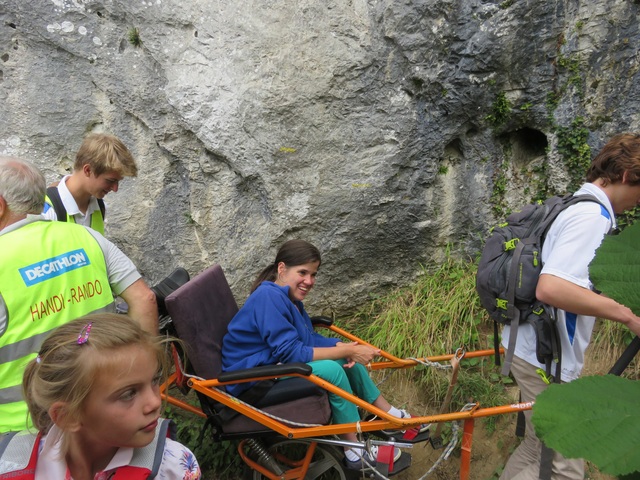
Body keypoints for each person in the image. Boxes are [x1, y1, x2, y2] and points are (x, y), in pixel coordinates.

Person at [500, 133, 640, 480]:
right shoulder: (592, 217)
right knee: (565, 466)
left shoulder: (573, 204)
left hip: (529, 346)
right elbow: (552, 287)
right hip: (546, 357)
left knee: (537, 448)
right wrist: (627, 316)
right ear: (626, 176)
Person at [221, 239, 428, 471]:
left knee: (345, 360)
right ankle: (354, 451)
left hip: (272, 363)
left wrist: (343, 346)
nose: (309, 281)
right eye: (303, 272)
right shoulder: (268, 297)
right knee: (333, 371)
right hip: (251, 378)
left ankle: (388, 417)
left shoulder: (288, 297)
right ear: (282, 269)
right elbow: (291, 352)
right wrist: (348, 350)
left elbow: (307, 339)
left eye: (313, 274)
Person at [0, 156, 158, 434]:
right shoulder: (88, 238)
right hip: (100, 414)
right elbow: (144, 299)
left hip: (22, 431)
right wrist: (135, 384)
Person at [0, 313, 202, 480]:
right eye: (129, 394)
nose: (155, 402)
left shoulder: (174, 467)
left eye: (155, 380)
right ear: (67, 416)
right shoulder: (9, 466)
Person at [42, 133, 138, 235]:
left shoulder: (99, 207)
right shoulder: (46, 211)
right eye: (110, 181)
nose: (115, 189)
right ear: (88, 170)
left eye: (118, 181)